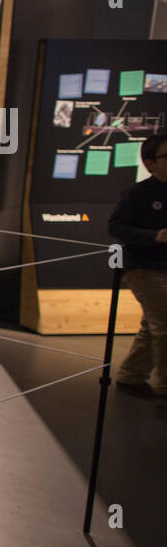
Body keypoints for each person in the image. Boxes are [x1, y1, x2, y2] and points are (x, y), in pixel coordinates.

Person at [109, 132, 167, 401]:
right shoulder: (139, 193)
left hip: (162, 267)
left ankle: (131, 377)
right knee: (164, 325)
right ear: (150, 163)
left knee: (153, 324)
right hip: (144, 268)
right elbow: (116, 226)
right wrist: (154, 236)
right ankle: (164, 389)